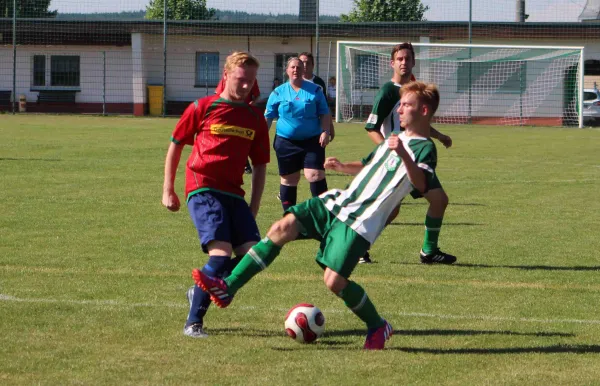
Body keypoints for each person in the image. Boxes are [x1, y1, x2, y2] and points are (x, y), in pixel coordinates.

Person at [193, 81, 443, 350]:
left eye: (407, 105)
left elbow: (420, 184)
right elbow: (368, 165)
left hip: (360, 221)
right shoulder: (394, 139)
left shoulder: (424, 148)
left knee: (334, 281)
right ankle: (227, 288)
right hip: (337, 202)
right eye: (401, 104)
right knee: (281, 227)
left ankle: (378, 326)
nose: (400, 109)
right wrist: (341, 166)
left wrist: (403, 153)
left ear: (425, 110)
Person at [162, 51, 270, 338]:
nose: (246, 86)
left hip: (234, 194)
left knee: (256, 256)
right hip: (204, 187)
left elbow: (260, 166)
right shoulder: (202, 107)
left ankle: (203, 287)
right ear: (226, 75)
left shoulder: (255, 119)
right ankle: (193, 323)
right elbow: (176, 144)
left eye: (251, 81)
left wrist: (254, 207)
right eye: (240, 79)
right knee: (221, 255)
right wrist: (168, 190)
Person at [363, 42, 456, 265]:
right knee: (389, 210)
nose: (404, 62)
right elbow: (371, 127)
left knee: (439, 200)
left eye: (408, 58)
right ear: (392, 63)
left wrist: (440, 136)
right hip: (399, 158)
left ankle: (429, 251)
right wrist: (387, 150)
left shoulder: (415, 89)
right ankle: (357, 248)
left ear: (414, 61)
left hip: (418, 156)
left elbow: (420, 123)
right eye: (400, 59)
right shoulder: (388, 91)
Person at [266, 56, 331, 213]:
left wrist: (326, 131)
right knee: (289, 179)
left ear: (304, 70)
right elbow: (268, 117)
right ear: (287, 71)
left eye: (299, 67)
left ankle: (322, 214)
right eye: (293, 67)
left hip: (312, 141)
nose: (296, 70)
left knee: (315, 175)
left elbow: (325, 113)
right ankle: (290, 216)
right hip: (285, 142)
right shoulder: (278, 92)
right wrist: (261, 138)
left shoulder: (315, 90)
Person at [215, 70, 261, 174]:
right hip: (227, 113)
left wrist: (249, 106)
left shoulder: (252, 80)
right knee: (227, 139)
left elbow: (257, 96)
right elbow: (218, 95)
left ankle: (245, 165)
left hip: (244, 114)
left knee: (242, 139)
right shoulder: (226, 79)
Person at [299, 52, 335, 142]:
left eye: (307, 63)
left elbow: (325, 107)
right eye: (302, 62)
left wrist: (330, 126)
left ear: (313, 65)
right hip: (297, 128)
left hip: (315, 128)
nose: (304, 65)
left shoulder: (319, 83)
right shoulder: (292, 82)